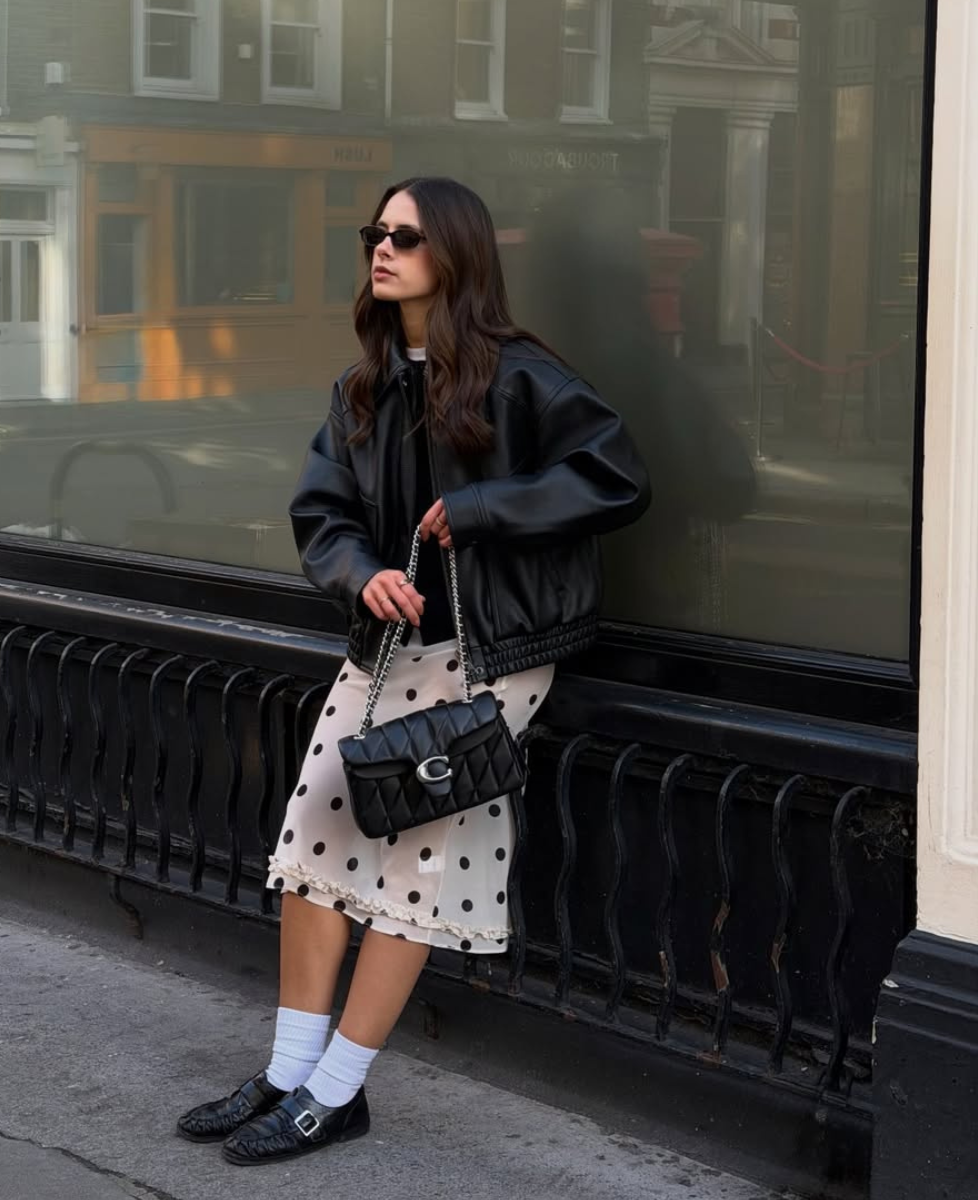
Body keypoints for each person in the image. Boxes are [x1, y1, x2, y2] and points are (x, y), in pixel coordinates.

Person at [175, 177, 650, 1166]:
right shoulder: (365, 387)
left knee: (417, 869)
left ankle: (338, 1092)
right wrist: (363, 575)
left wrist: (482, 514)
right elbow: (324, 516)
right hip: (389, 647)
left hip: (494, 660)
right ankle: (287, 1072)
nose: (381, 250)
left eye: (406, 236)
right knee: (312, 843)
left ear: (456, 257)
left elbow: (617, 476)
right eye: (374, 234)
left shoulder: (524, 379)